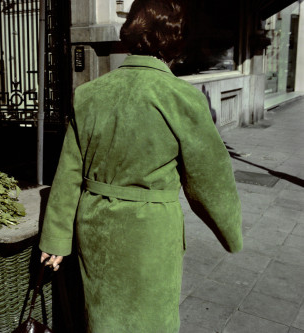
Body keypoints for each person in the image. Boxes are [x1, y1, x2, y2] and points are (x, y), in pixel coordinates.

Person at [38, 0, 243, 332]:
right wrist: (231, 234)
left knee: (102, 318)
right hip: (150, 233)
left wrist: (56, 240)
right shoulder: (181, 97)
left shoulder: (89, 94)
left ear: (129, 35)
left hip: (95, 227)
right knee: (152, 318)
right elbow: (211, 179)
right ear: (177, 41)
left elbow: (69, 173)